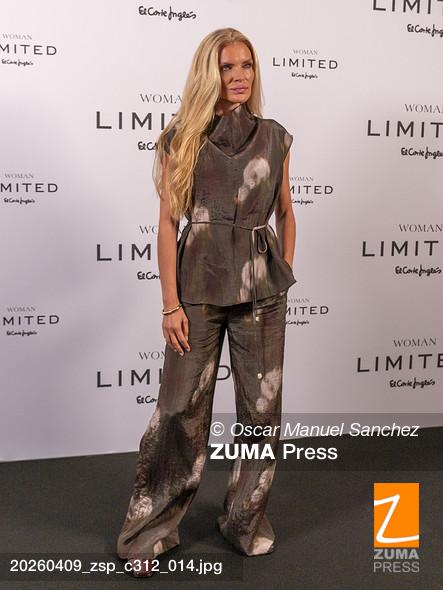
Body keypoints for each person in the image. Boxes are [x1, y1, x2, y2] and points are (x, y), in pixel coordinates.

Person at [116, 27, 297, 578]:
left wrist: (282, 272)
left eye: (247, 65)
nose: (239, 76)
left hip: (261, 292)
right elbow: (166, 224)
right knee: (179, 408)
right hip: (196, 289)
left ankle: (244, 521)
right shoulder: (182, 138)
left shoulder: (275, 136)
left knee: (261, 411)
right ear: (208, 73)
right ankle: (151, 529)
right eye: (227, 67)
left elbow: (287, 211)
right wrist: (170, 304)